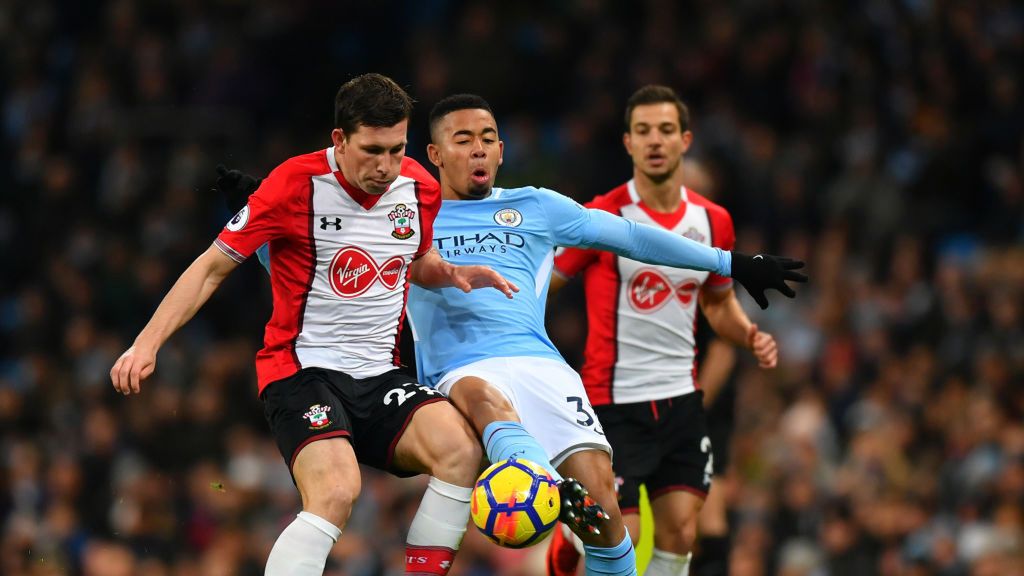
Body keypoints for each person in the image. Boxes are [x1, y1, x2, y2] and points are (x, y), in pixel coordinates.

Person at [217, 93, 804, 576]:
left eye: (488, 138)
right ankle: (530, 469)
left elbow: (632, 237)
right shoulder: (401, 209)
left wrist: (731, 262)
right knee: (477, 390)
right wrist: (262, 213)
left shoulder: (538, 207)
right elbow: (318, 270)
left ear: (500, 151)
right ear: (433, 155)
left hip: (542, 369)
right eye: (463, 139)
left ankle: (547, 484)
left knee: (606, 519)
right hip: (454, 374)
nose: (479, 149)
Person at [110, 74, 519, 576]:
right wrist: (146, 344)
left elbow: (410, 259)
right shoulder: (292, 185)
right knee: (337, 490)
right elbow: (211, 267)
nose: (386, 167)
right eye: (372, 150)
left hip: (380, 375)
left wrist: (450, 273)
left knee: (461, 451)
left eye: (397, 150)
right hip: (301, 372)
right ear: (339, 140)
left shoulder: (420, 188)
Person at [545, 85, 781, 576]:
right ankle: (569, 540)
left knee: (681, 532)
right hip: (613, 401)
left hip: (681, 400)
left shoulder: (713, 221)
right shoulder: (602, 215)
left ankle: (578, 534)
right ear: (628, 142)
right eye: (644, 131)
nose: (656, 140)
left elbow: (718, 305)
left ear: (685, 140)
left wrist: (747, 334)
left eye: (666, 130)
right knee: (623, 536)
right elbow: (547, 284)